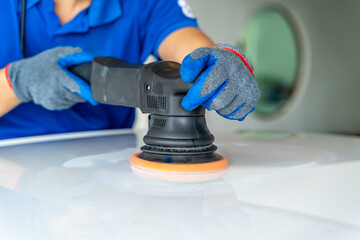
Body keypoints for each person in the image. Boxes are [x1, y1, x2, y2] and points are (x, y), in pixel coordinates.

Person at [0, 0, 260, 140]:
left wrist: (223, 60)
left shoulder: (145, 3)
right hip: (9, 162)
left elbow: (192, 51)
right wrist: (16, 83)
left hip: (105, 166)